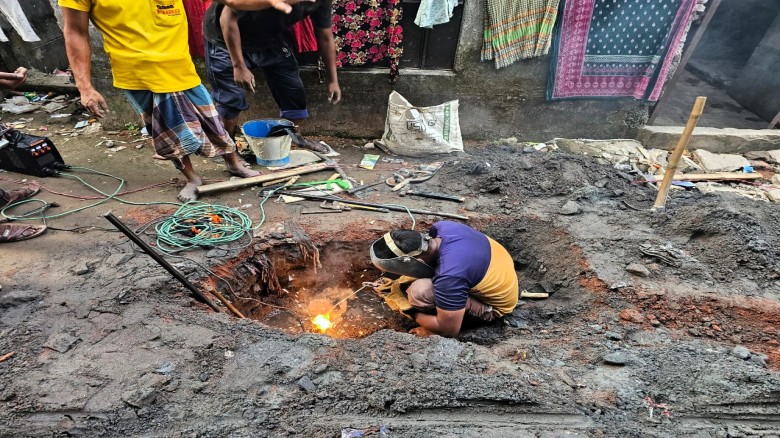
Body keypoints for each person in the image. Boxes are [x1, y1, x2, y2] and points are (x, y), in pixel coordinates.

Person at [57, 1, 308, 202]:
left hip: (181, 67)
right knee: (165, 131)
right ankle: (191, 177)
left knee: (212, 121)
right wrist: (85, 86)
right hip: (136, 73)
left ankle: (233, 163)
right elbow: (75, 31)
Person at [202, 0, 341, 151]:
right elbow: (227, 18)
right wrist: (239, 65)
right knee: (231, 101)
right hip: (225, 38)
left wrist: (333, 80)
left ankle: (294, 138)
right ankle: (228, 151)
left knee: (292, 89)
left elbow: (325, 36)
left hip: (269, 37)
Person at [371, 221, 519, 338]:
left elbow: (449, 331)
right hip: (496, 273)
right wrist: (398, 283)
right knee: (416, 283)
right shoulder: (442, 227)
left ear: (417, 260)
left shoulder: (449, 278)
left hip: (494, 307)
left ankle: (438, 327)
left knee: (419, 292)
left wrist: (405, 307)